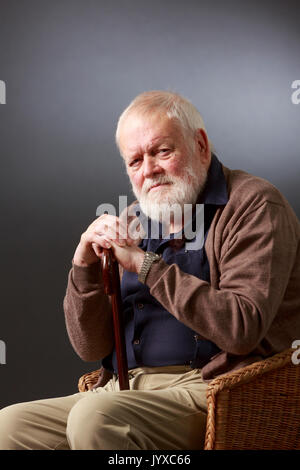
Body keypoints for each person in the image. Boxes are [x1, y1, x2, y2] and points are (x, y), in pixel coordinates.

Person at [0, 90, 299, 450]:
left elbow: (241, 328)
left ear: (201, 145)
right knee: (10, 426)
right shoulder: (135, 221)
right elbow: (90, 346)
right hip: (123, 388)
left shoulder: (253, 205)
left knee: (96, 417)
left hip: (209, 388)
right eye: (135, 160)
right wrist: (83, 267)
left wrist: (144, 265)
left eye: (162, 151)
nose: (149, 170)